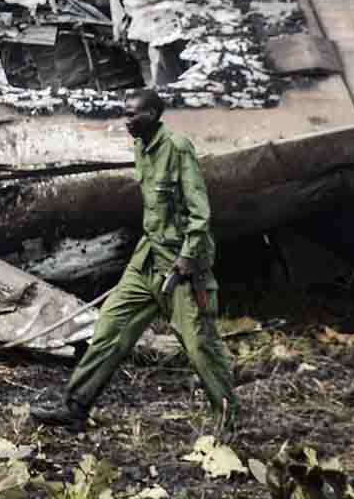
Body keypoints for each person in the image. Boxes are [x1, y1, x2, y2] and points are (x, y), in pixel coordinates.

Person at [33, 89, 238, 433]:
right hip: (147, 260)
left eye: (134, 115)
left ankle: (228, 421)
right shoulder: (141, 147)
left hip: (181, 267)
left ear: (155, 114)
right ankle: (76, 407)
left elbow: (199, 212)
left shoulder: (177, 148)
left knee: (200, 347)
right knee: (109, 328)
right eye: (125, 114)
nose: (127, 121)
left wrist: (188, 258)